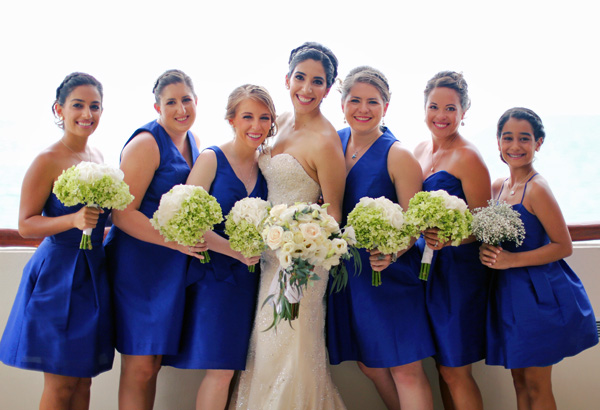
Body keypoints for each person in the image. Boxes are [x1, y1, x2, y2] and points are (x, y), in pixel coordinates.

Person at [229, 42, 347, 410]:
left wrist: (300, 248)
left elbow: (334, 214)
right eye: (300, 78)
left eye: (318, 81)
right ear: (287, 79)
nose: (306, 89)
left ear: (328, 88)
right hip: (266, 256)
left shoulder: (326, 142)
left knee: (290, 344)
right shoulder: (276, 123)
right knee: (263, 347)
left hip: (300, 264)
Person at [0, 72, 113, 409]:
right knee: (61, 382)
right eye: (78, 105)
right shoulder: (47, 160)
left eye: (95, 106)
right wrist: (72, 220)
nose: (87, 114)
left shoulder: (98, 157)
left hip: (92, 271)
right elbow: (25, 225)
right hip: (58, 274)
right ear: (58, 109)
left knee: (83, 381)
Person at [326, 66, 435, 410]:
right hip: (349, 275)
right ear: (342, 103)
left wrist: (391, 252)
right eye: (355, 100)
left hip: (389, 273)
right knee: (370, 364)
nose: (363, 108)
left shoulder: (397, 154)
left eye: (372, 101)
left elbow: (413, 222)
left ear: (386, 106)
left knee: (405, 368)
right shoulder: (334, 142)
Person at [161, 84, 275, 410]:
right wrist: (235, 251)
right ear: (231, 119)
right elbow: (187, 220)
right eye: (248, 117)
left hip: (257, 279)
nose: (256, 125)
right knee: (222, 370)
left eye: (264, 118)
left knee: (244, 369)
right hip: (216, 278)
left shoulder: (268, 164)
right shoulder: (212, 158)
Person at [479, 107, 598, 410]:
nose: (515, 146)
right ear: (498, 142)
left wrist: (510, 261)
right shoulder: (498, 187)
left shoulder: (538, 189)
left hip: (536, 295)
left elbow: (563, 245)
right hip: (507, 294)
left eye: (524, 138)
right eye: (508, 138)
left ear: (538, 143)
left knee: (536, 383)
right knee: (519, 381)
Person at [104, 69, 205, 410]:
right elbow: (122, 212)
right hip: (139, 265)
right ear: (156, 107)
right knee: (141, 364)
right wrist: (177, 243)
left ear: (196, 101)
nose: (181, 109)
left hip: (169, 268)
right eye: (171, 102)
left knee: (153, 364)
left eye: (186, 100)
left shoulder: (193, 142)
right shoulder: (147, 142)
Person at [413, 71, 491, 410]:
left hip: (458, 274)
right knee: (440, 367)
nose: (441, 116)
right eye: (434, 107)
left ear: (463, 112)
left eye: (450, 108)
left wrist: (451, 237)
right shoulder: (417, 150)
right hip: (425, 269)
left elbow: (484, 226)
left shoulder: (469, 157)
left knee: (455, 368)